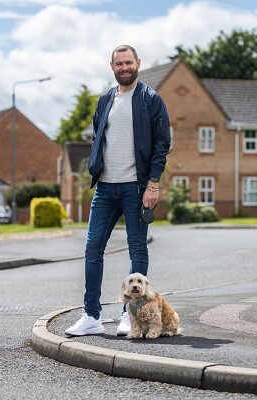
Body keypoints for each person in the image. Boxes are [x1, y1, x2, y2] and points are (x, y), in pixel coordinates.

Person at [65, 44, 171, 336]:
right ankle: (91, 316)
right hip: (105, 189)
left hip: (136, 188)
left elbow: (162, 145)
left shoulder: (151, 100)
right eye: (119, 64)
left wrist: (153, 184)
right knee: (92, 249)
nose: (124, 68)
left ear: (138, 63)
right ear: (111, 66)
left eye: (129, 63)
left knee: (137, 249)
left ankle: (130, 315)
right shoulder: (105, 100)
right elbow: (98, 136)